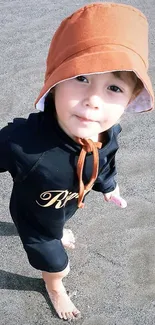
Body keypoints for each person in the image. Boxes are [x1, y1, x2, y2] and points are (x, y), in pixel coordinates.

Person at [0, 2, 154, 321]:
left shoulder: (107, 133)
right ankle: (54, 286)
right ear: (55, 83)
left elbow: (105, 161)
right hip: (33, 216)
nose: (93, 101)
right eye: (81, 77)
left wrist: (109, 187)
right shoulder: (23, 141)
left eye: (114, 87)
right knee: (58, 264)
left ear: (130, 99)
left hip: (66, 203)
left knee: (61, 221)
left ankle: (58, 230)